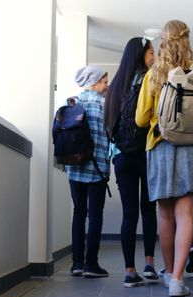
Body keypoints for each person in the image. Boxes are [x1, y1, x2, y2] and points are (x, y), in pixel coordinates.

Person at [135, 20, 193, 297]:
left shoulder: (154, 74)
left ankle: (169, 273)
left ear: (163, 42)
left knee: (165, 214)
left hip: (161, 145)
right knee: (186, 213)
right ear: (187, 39)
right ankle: (179, 279)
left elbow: (141, 117)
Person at [104, 37, 159, 288]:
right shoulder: (148, 80)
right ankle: (149, 264)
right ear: (141, 55)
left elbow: (109, 126)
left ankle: (129, 271)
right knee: (148, 209)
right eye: (151, 53)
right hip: (146, 152)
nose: (154, 58)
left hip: (122, 157)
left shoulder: (114, 86)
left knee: (129, 214)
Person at [67, 65, 111, 278]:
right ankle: (91, 264)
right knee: (95, 216)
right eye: (104, 81)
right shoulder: (103, 104)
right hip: (97, 168)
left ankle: (76, 263)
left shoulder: (71, 103)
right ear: (94, 82)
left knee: (78, 213)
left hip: (74, 168)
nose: (106, 86)